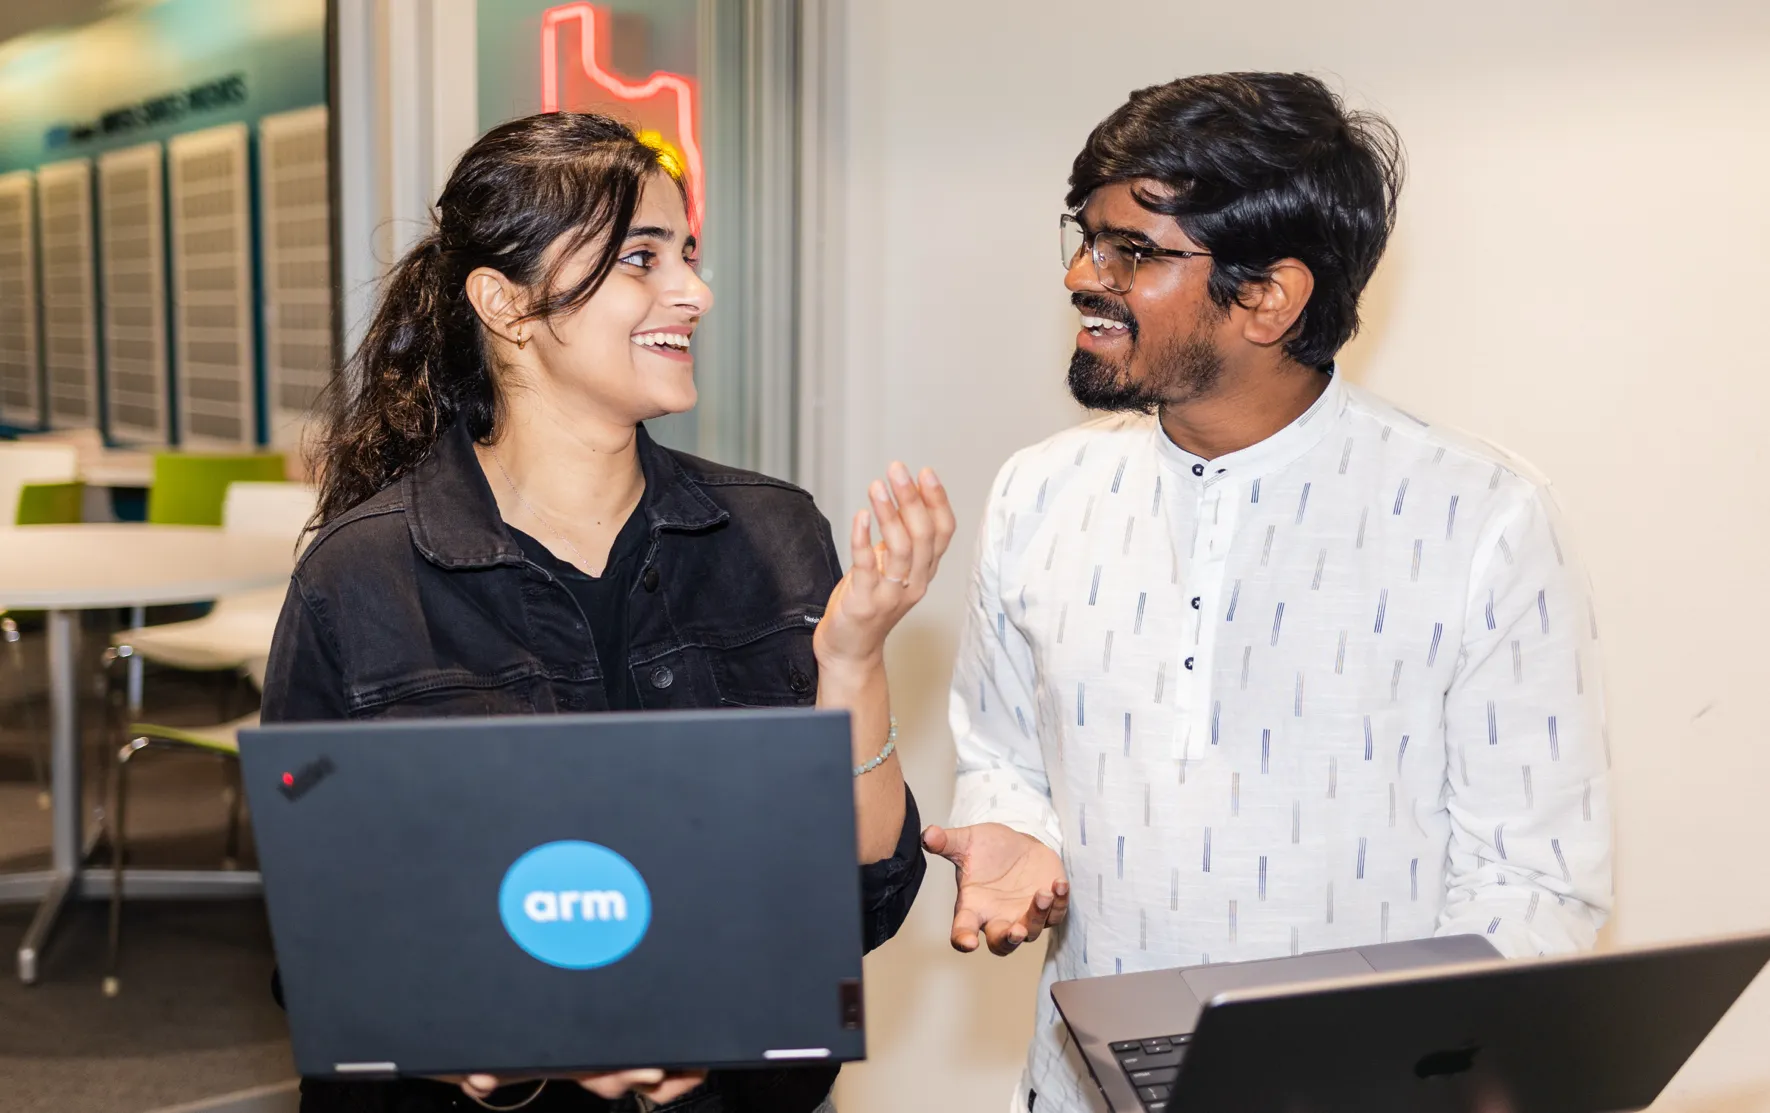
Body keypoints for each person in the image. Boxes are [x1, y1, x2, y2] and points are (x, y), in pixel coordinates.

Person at [921, 72, 1613, 1113]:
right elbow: (1003, 754)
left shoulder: (1481, 517)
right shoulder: (1040, 491)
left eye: (1131, 251)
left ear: (1270, 297)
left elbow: (1539, 880)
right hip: (1081, 1093)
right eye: (1086, 237)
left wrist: (1375, 1071)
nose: (1081, 275)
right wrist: (1013, 827)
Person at [262, 112, 955, 1113]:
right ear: (506, 303)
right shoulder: (363, 573)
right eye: (641, 258)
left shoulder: (772, 533)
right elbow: (317, 941)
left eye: (688, 255)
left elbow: (862, 903)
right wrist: (481, 1039)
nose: (695, 293)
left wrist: (852, 658)